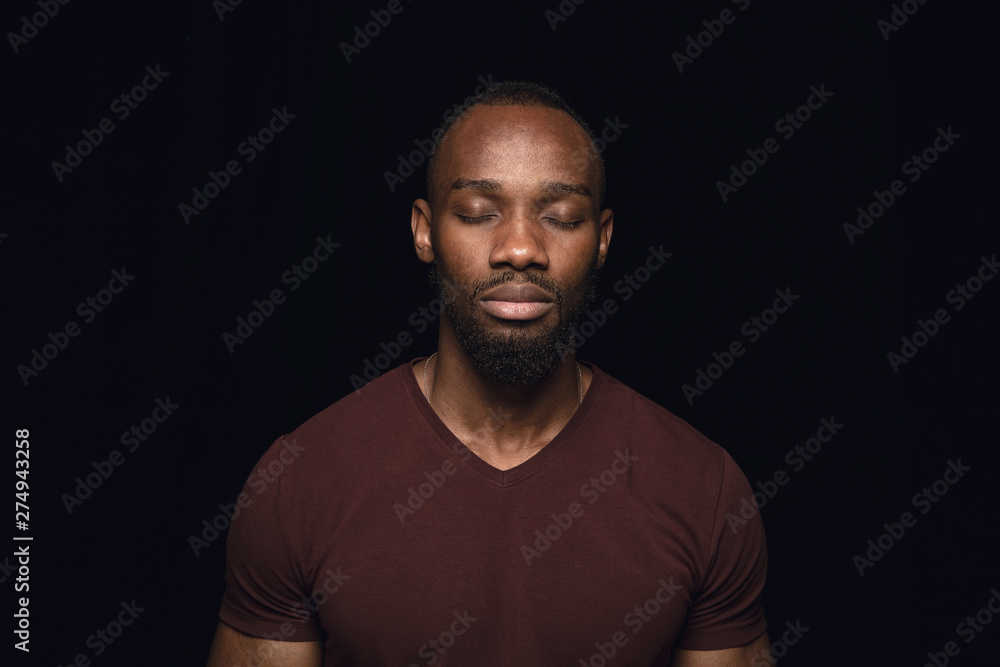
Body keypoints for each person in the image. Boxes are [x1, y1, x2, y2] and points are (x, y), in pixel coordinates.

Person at [207, 81, 771, 666]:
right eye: (478, 214)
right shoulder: (299, 483)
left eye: (560, 216)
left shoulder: (703, 489)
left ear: (603, 241)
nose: (521, 248)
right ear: (425, 232)